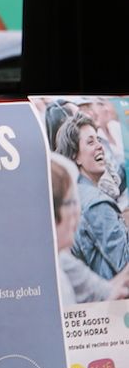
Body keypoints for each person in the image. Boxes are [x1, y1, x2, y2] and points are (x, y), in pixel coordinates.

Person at [58, 113, 129, 280]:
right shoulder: (97, 203)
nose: (99, 146)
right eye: (90, 142)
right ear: (75, 155)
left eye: (98, 140)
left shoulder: (76, 194)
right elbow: (125, 263)